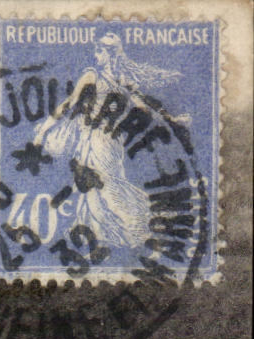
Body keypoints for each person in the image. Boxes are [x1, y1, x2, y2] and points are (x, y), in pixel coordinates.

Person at [31, 32, 183, 253]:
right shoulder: (91, 76)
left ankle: (143, 220)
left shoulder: (121, 82)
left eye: (99, 51)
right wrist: (43, 131)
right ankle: (100, 234)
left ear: (110, 54)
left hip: (110, 143)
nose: (96, 56)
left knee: (109, 184)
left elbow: (146, 107)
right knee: (96, 185)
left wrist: (172, 120)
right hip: (92, 139)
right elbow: (69, 104)